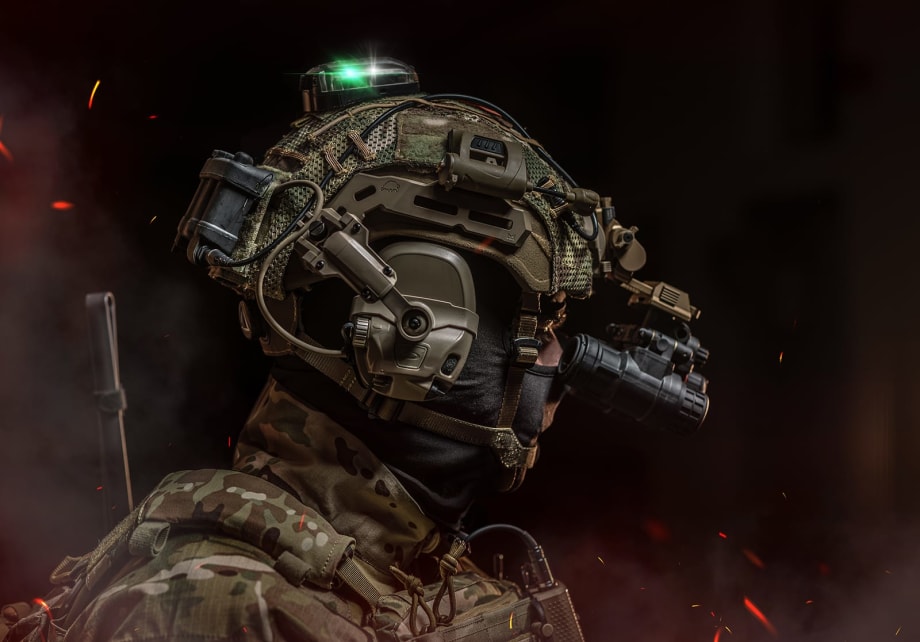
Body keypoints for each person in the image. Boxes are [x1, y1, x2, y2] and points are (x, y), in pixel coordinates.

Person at [2, 57, 709, 641]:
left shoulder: (384, 574)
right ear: (422, 335)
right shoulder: (220, 610)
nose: (558, 362)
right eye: (540, 324)